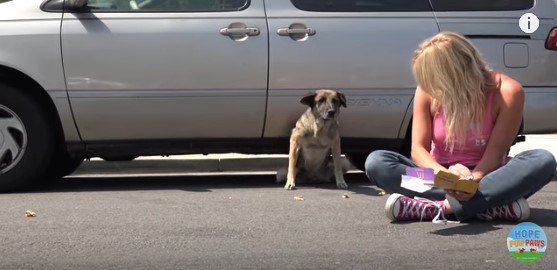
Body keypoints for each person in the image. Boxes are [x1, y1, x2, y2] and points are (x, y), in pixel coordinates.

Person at [365, 32, 556, 223]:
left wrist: (471, 180)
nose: (429, 86)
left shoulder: (507, 92)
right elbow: (418, 149)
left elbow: (496, 154)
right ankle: (487, 206)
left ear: (456, 74)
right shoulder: (426, 90)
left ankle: (440, 208)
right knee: (378, 163)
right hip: (435, 178)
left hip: (489, 177)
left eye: (434, 79)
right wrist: (445, 177)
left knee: (542, 160)